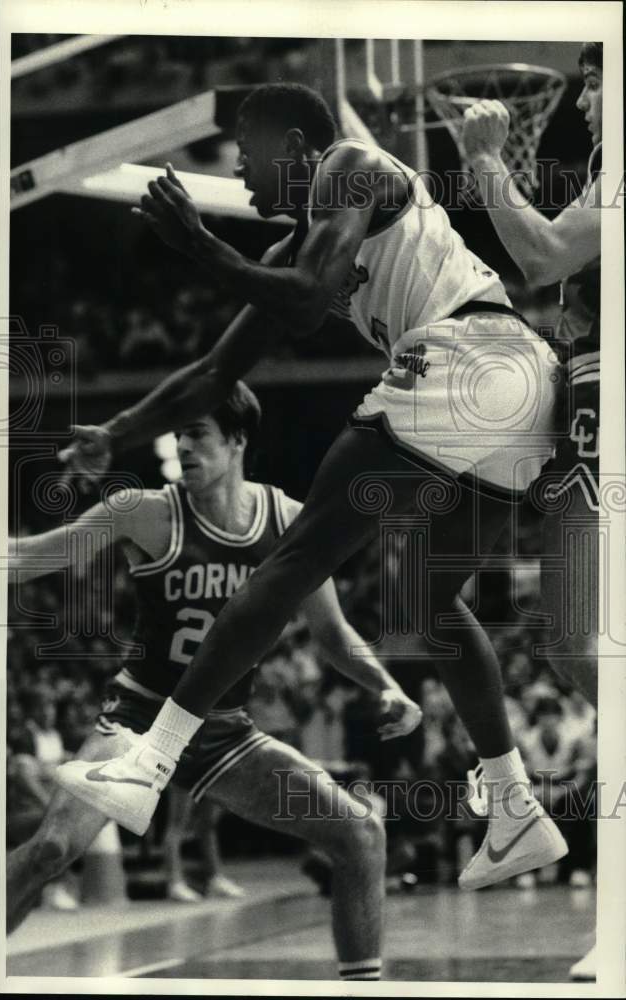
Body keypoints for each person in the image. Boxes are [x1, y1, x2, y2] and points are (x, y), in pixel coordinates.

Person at [56, 82, 567, 892]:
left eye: (249, 155)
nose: (243, 175)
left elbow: (308, 300)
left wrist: (199, 245)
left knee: (292, 562)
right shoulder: (296, 246)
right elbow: (214, 371)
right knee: (426, 602)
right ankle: (512, 807)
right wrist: (115, 433)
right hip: (521, 385)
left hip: (468, 353)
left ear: (295, 146)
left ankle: (148, 765)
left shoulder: (350, 163)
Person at [8, 382, 422, 983]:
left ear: (237, 441)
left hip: (222, 732)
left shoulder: (287, 521)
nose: (183, 447)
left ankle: (363, 987)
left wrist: (385, 683)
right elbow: (25, 560)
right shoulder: (146, 511)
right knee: (51, 850)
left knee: (360, 833)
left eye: (197, 433)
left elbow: (333, 632)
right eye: (178, 435)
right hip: (139, 721)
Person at [461, 41, 602, 977]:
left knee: (591, 648)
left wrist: (480, 161)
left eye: (599, 79)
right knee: (570, 642)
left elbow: (546, 250)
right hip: (589, 388)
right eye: (585, 82)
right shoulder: (595, 161)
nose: (587, 95)